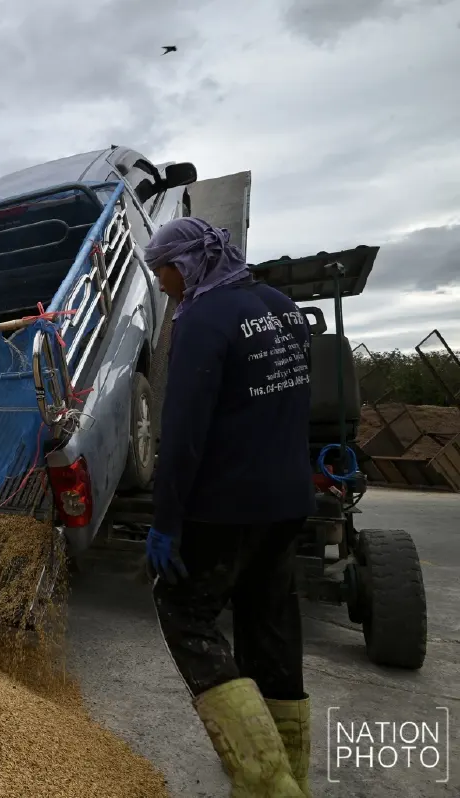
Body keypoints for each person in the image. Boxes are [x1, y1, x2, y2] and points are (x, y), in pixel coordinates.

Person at [143, 217, 315, 797]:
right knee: (269, 625)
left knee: (186, 613)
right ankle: (291, 768)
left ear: (185, 264)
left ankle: (265, 781)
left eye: (161, 269)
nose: (161, 282)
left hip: (225, 506)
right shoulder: (281, 306)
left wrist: (167, 521)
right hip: (287, 501)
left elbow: (184, 431)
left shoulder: (203, 319)